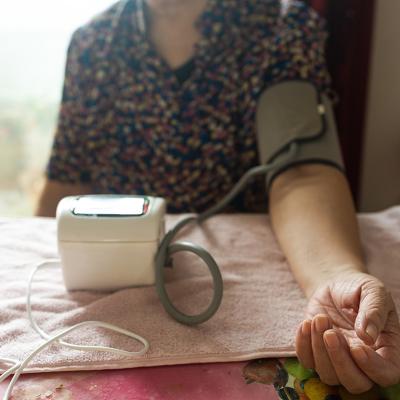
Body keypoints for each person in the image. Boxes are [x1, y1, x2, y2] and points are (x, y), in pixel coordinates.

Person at [36, 0, 400, 392]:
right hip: (113, 304)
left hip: (235, 301)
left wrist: (335, 276)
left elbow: (301, 173)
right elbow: (66, 185)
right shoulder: (94, 44)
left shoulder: (280, 27)